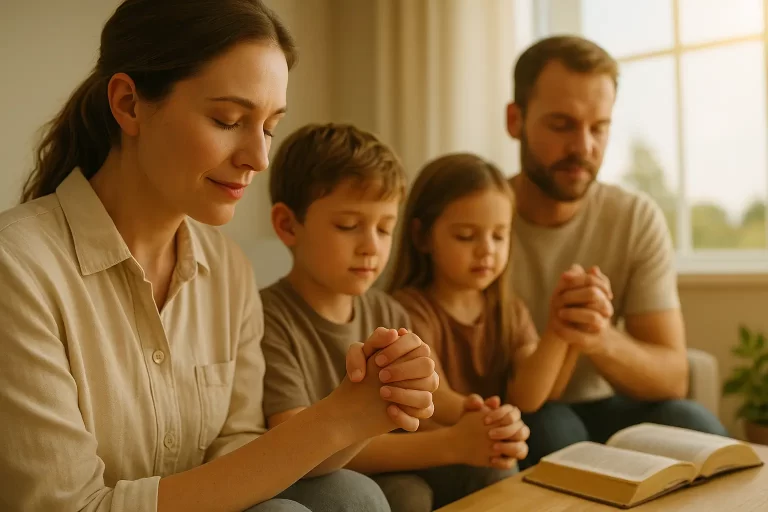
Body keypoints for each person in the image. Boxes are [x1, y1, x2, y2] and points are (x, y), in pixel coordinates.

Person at [0, 2, 440, 511]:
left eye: (269, 127)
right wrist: (335, 419)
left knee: (351, 495)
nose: (259, 158)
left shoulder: (228, 271)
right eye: (227, 119)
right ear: (128, 104)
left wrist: (366, 409)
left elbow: (241, 450)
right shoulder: (19, 268)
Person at [259, 124, 528, 512]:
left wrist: (484, 419)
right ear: (288, 225)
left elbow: (433, 394)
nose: (371, 246)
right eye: (348, 226)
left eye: (385, 229)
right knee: (407, 495)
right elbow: (297, 447)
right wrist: (452, 443)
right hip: (331, 477)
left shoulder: (388, 311)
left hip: (396, 460)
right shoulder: (270, 318)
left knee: (495, 468)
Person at [503, 35, 729, 467]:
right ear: (516, 120)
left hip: (613, 404)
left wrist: (596, 334)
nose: (584, 146)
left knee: (693, 422)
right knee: (551, 426)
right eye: (561, 124)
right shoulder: (476, 221)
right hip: (527, 407)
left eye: (599, 127)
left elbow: (674, 375)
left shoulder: (634, 217)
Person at [387, 152, 611, 487]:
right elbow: (438, 399)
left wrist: (560, 328)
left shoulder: (509, 310)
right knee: (499, 464)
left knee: (555, 426)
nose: (486, 250)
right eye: (466, 236)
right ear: (422, 237)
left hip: (491, 436)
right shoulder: (407, 310)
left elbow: (529, 397)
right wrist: (491, 419)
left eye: (499, 235)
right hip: (437, 449)